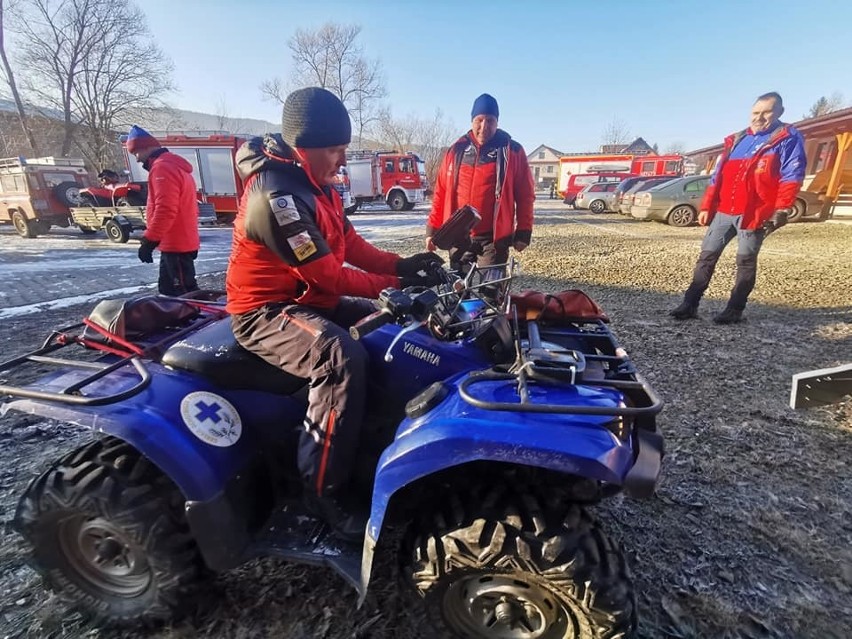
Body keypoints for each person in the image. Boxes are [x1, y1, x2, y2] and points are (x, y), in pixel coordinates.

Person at [224, 87, 442, 539]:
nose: (343, 159)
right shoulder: (277, 198)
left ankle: (370, 439)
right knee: (337, 355)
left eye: (344, 148)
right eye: (335, 150)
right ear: (304, 148)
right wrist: (398, 285)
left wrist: (400, 266)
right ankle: (323, 488)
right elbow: (328, 276)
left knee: (385, 328)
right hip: (265, 311)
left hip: (307, 301)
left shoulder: (316, 185)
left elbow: (352, 247)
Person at [669, 92, 806, 324]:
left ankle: (735, 310)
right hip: (724, 211)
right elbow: (717, 177)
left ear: (779, 112)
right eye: (755, 112)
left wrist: (782, 208)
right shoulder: (737, 140)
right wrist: (706, 207)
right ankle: (689, 304)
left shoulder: (787, 139)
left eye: (766, 112)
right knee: (706, 258)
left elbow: (791, 176)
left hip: (754, 213)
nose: (759, 117)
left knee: (745, 261)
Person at [426, 93, 535, 270]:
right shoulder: (456, 150)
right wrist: (432, 230)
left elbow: (525, 195)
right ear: (472, 121)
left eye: (490, 120)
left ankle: (492, 298)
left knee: (490, 293)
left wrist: (524, 231)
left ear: (497, 122)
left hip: (493, 239)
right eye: (480, 120)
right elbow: (441, 192)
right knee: (458, 291)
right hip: (459, 236)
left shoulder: (512, 151)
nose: (484, 126)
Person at [126, 125, 200, 296]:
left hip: (176, 245)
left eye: (136, 153)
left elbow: (165, 209)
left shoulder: (162, 168)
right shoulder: (174, 166)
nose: (137, 159)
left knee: (182, 296)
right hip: (177, 243)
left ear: (146, 147)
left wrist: (149, 240)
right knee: (171, 292)